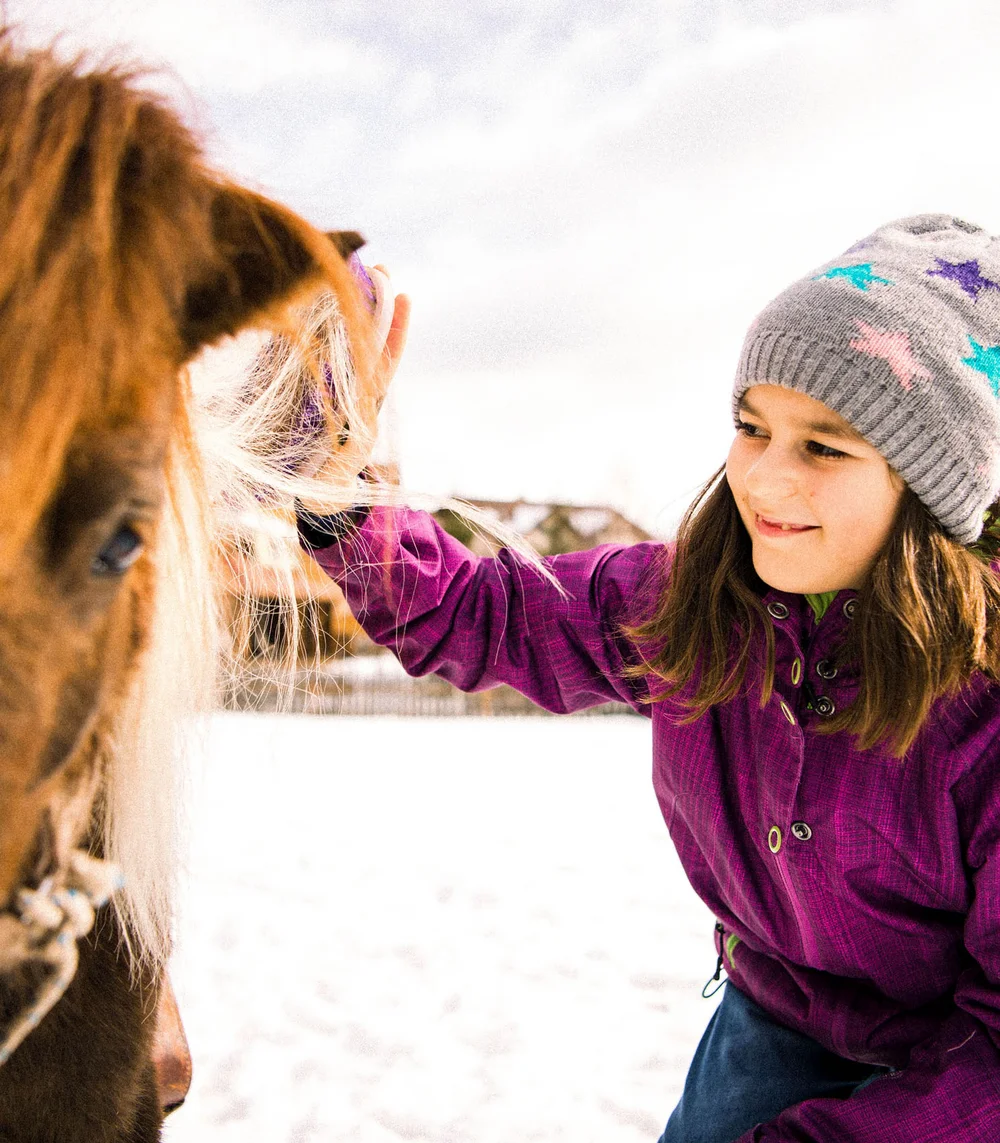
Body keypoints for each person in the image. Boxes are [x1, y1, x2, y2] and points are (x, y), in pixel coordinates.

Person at [293, 215, 1000, 1141]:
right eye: (752, 428)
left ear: (929, 485)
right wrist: (339, 492)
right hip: (775, 1018)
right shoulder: (690, 607)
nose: (765, 482)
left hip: (960, 1069)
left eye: (824, 447)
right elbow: (482, 613)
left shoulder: (980, 708)